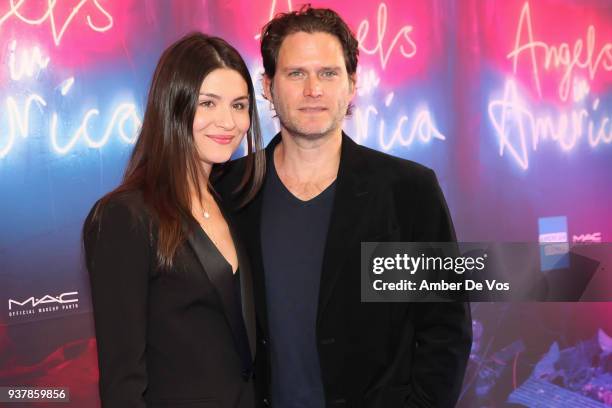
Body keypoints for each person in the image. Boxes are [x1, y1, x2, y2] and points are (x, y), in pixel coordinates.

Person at [216, 6, 472, 408]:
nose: (313, 89)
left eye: (329, 73)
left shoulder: (409, 191)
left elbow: (446, 329)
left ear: (351, 85)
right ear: (267, 86)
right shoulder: (228, 189)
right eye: (296, 73)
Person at [83, 32, 265, 408]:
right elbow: (123, 382)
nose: (227, 121)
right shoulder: (126, 216)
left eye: (239, 105)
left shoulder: (232, 201)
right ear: (173, 104)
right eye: (208, 103)